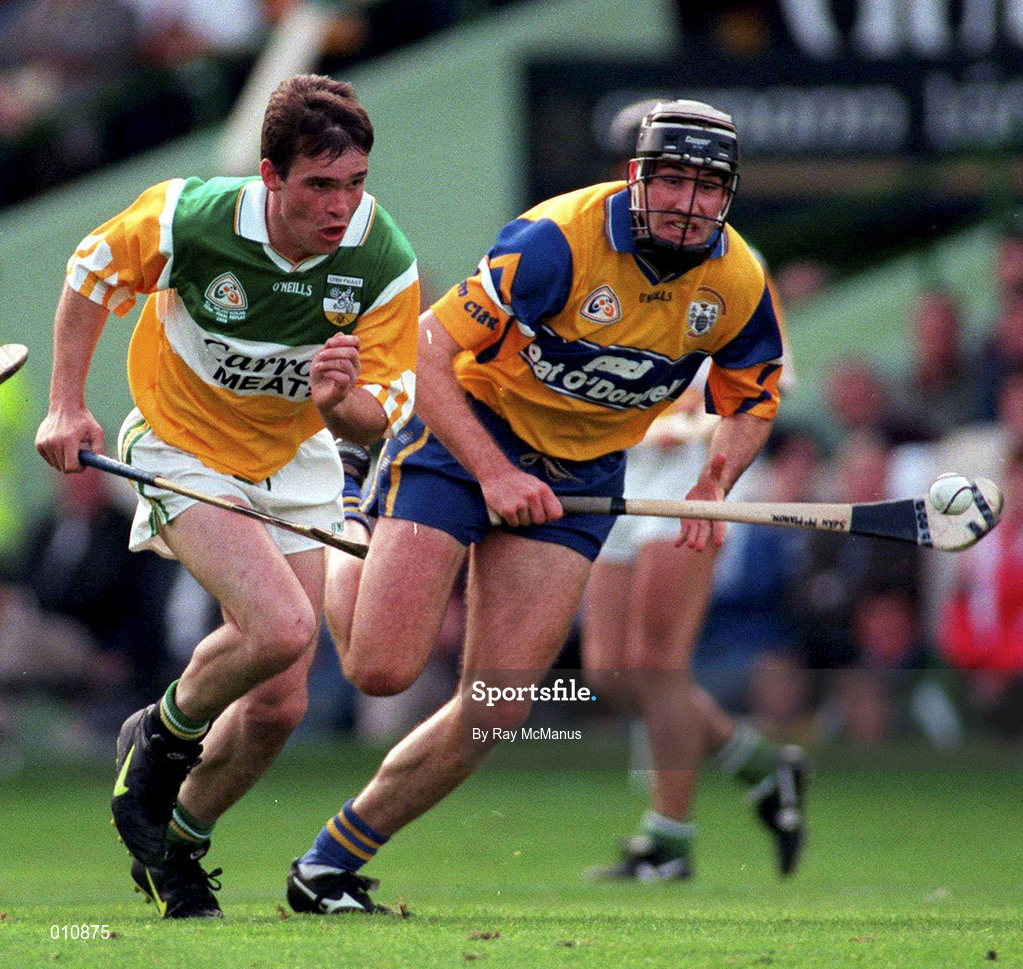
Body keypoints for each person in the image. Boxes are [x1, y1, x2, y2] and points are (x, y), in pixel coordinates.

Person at [285, 99, 793, 914]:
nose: (687, 203)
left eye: (706, 187)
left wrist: (713, 479)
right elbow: (428, 348)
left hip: (582, 474)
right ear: (638, 178)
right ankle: (351, 508)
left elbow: (753, 395)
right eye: (671, 181)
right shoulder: (557, 240)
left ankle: (327, 866)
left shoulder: (733, 279)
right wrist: (491, 472)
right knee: (380, 670)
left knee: (495, 708)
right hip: (462, 439)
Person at [34, 73, 419, 919]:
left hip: (293, 455)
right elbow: (91, 270)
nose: (340, 206)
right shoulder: (192, 216)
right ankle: (162, 735)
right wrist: (67, 402)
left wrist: (335, 402)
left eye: (354, 183)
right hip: (179, 445)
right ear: (270, 176)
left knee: (281, 700)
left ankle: (175, 848)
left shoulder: (382, 260)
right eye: (319, 184)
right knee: (278, 627)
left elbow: (375, 417)